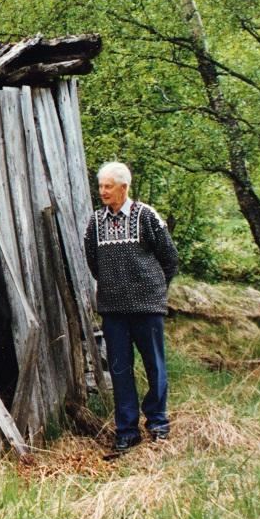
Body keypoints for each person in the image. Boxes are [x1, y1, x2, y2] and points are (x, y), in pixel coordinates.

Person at [83, 161, 179, 453]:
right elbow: (93, 262)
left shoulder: (146, 216)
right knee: (120, 370)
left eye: (108, 187)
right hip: (113, 310)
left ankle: (158, 424)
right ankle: (127, 430)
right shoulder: (95, 223)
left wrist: (154, 291)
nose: (103, 192)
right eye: (100, 186)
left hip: (147, 307)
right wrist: (115, 287)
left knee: (154, 365)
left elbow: (169, 258)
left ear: (124, 188)